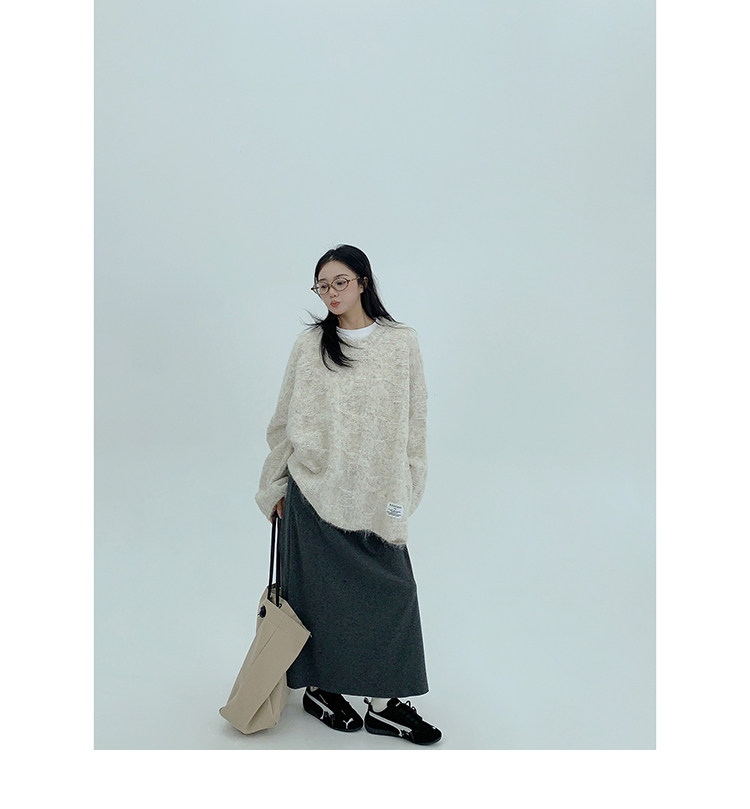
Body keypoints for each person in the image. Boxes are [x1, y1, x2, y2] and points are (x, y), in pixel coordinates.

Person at [255, 244, 441, 746]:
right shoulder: (309, 347)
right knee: (318, 598)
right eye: (322, 285)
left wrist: (408, 484)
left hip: (378, 496)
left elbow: (415, 421)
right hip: (314, 491)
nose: (331, 293)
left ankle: (385, 704)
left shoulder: (401, 342)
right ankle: (322, 689)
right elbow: (283, 421)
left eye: (340, 282)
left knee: (394, 593)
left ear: (363, 282)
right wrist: (274, 486)